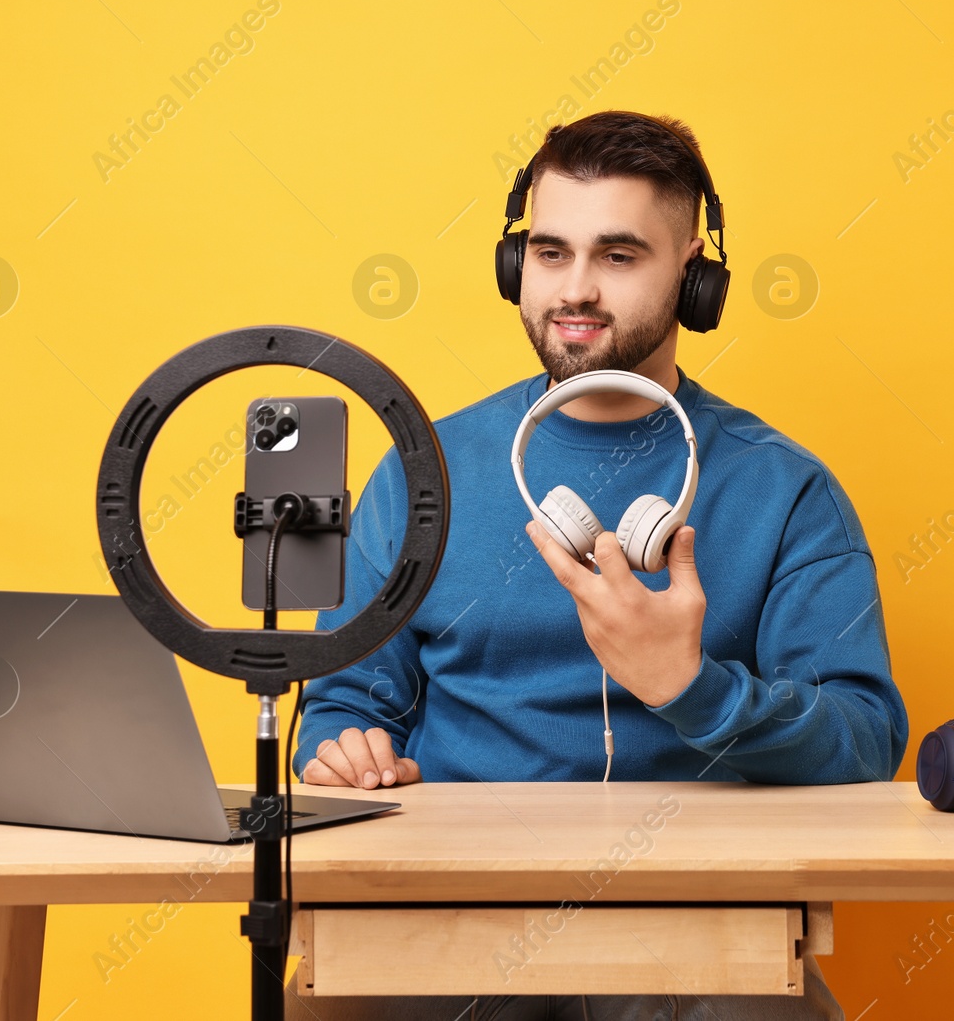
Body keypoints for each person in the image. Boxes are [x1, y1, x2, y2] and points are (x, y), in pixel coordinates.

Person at [286, 110, 906, 1020]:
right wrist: (342, 750)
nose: (574, 289)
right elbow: (343, 701)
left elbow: (864, 741)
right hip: (446, 923)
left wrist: (690, 686)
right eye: (548, 252)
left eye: (618, 255)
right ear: (516, 265)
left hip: (703, 935)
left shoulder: (786, 488)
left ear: (693, 275)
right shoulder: (426, 472)